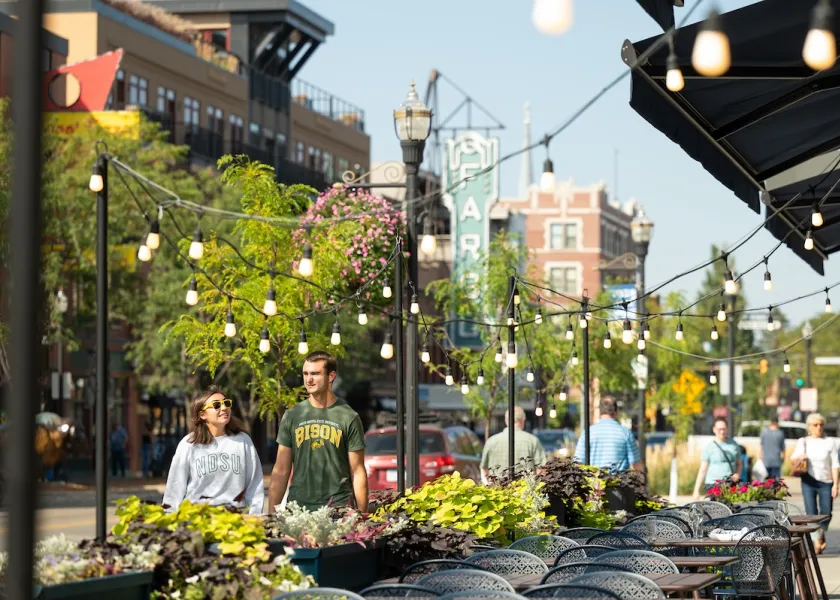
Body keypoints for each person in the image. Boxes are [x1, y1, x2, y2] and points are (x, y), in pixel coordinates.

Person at [268, 351, 368, 513]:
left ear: (331, 376)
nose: (309, 379)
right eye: (306, 374)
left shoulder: (348, 417)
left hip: (338, 508)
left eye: (315, 374)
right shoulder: (293, 416)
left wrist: (362, 515)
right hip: (299, 509)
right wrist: (271, 514)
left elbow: (358, 471)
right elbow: (281, 469)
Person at [162, 387, 264, 515]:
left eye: (226, 403)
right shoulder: (189, 444)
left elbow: (255, 484)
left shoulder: (243, 441)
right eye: (216, 405)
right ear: (202, 414)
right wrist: (169, 521)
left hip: (235, 520)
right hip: (198, 519)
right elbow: (175, 487)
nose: (223, 408)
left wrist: (254, 516)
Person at [790, 412, 839, 554]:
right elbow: (792, 459)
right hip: (808, 481)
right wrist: (800, 457)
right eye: (815, 425)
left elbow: (835, 464)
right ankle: (816, 541)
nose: (819, 427)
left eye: (821, 425)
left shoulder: (830, 442)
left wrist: (836, 484)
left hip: (827, 481)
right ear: (809, 427)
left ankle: (821, 532)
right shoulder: (803, 441)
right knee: (811, 513)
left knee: (826, 513)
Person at [573, 396, 642, 472]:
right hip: (619, 481)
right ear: (616, 412)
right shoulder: (625, 433)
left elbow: (578, 462)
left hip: (594, 481)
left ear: (600, 412)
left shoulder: (588, 432)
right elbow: (636, 464)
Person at [480, 407, 547, 480]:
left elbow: (484, 469)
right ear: (523, 421)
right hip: (525, 489)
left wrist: (489, 485)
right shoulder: (533, 441)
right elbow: (541, 470)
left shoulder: (491, 441)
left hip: (496, 489)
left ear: (506, 420)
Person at [693, 417, 742, 500]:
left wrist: (738, 474)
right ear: (714, 429)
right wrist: (696, 490)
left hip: (729, 483)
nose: (722, 432)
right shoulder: (709, 447)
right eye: (719, 429)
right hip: (713, 484)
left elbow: (739, 463)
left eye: (724, 429)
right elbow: (703, 469)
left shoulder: (734, 445)